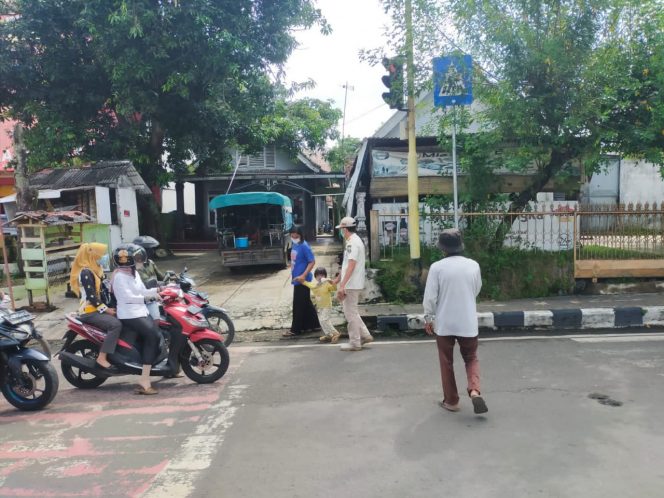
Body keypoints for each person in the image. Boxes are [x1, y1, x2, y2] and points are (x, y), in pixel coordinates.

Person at [422, 228, 488, 414]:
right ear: (461, 246)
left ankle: (451, 401)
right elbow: (476, 289)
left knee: (446, 362)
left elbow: (430, 297)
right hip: (467, 322)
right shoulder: (473, 265)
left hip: (445, 323)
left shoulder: (437, 267)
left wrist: (428, 317)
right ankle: (474, 390)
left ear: (443, 249)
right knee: (471, 357)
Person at [111, 244, 162, 395]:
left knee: (158, 332)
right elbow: (128, 298)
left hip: (140, 311)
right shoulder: (119, 277)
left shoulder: (134, 274)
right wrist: (148, 297)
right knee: (153, 336)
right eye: (137, 258)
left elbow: (141, 290)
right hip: (129, 313)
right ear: (127, 261)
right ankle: (144, 380)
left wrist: (159, 289)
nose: (141, 261)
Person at [69, 243, 122, 370]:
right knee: (115, 325)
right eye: (101, 254)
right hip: (90, 312)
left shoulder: (96, 269)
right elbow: (92, 297)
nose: (104, 257)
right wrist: (107, 310)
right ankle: (102, 357)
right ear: (92, 255)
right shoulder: (86, 272)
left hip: (97, 309)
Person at [335, 216, 373, 351]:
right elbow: (346, 265)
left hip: (351, 284)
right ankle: (365, 335)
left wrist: (342, 285)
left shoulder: (352, 243)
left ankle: (355, 342)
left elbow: (351, 265)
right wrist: (338, 279)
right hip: (352, 282)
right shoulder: (354, 241)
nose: (341, 231)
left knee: (350, 314)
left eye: (341, 229)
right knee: (353, 312)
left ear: (345, 229)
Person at [284, 225, 320, 337]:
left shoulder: (304, 246)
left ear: (300, 235)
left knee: (298, 304)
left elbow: (312, 261)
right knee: (305, 303)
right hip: (297, 278)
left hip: (302, 280)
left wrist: (303, 275)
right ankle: (314, 325)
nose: (294, 237)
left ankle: (295, 329)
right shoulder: (295, 244)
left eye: (296, 235)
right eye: (292, 235)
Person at [297, 267, 340, 344]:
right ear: (315, 277)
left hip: (327, 306)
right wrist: (298, 278)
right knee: (321, 321)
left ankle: (335, 333)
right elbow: (305, 283)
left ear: (325, 276)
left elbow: (334, 288)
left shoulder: (327, 284)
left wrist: (331, 282)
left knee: (324, 320)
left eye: (322, 275)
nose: (320, 277)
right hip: (319, 307)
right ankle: (328, 335)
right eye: (318, 275)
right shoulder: (314, 285)